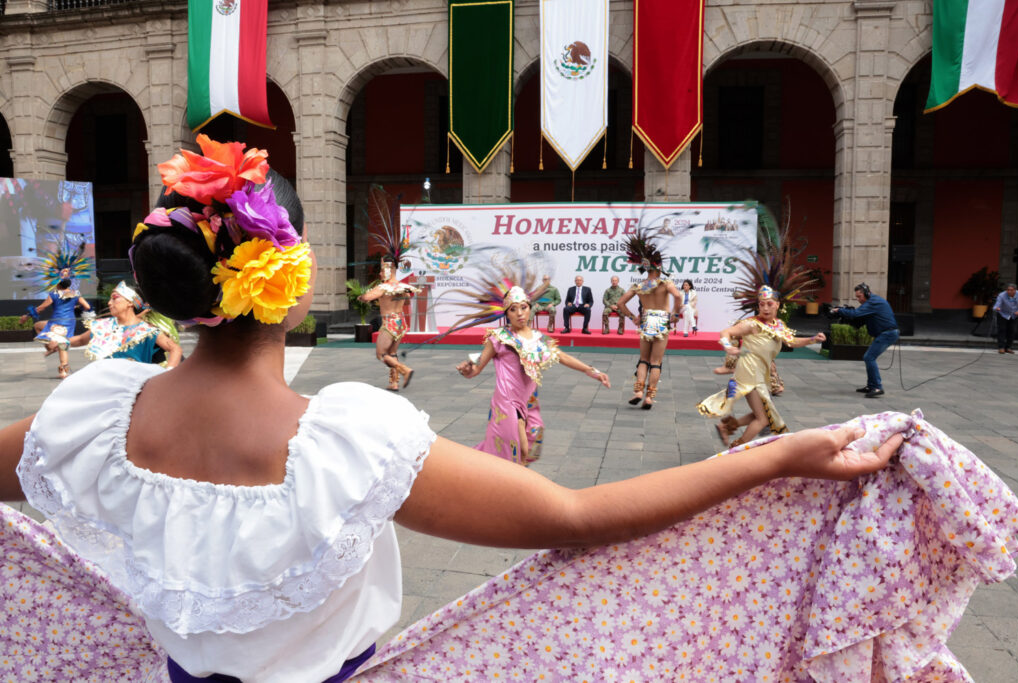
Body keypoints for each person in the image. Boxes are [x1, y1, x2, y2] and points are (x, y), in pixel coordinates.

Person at [0, 137, 901, 683]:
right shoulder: (341, 444)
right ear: (292, 273)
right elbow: (577, 517)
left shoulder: (92, 420)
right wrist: (778, 458)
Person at [455, 284, 610, 465]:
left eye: (524, 307)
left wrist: (594, 372)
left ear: (530, 308)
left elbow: (563, 356)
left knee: (531, 444)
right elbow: (476, 368)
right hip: (507, 401)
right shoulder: (499, 337)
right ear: (507, 313)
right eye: (513, 309)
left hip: (528, 401)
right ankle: (515, 486)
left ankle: (509, 481)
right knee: (519, 448)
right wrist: (467, 370)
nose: (519, 313)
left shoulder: (539, 339)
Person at [699, 285, 826, 447]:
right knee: (764, 419)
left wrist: (813, 339)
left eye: (770, 304)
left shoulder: (778, 325)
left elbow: (791, 341)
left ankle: (726, 427)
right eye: (762, 304)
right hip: (749, 374)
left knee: (762, 413)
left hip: (761, 374)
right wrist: (727, 345)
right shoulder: (752, 324)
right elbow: (726, 332)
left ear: (778, 304)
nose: (765, 308)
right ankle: (737, 449)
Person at [616, 229, 682, 409]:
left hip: (646, 319)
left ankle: (638, 391)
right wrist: (675, 315)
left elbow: (620, 303)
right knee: (656, 362)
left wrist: (632, 318)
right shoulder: (665, 283)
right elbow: (678, 297)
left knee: (644, 359)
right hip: (661, 320)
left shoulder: (639, 285)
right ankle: (649, 397)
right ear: (659, 266)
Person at [358, 256, 419, 391]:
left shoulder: (384, 287)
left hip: (389, 322)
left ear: (387, 270)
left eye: (381, 271)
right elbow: (408, 302)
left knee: (381, 354)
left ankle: (405, 370)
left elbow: (368, 297)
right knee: (392, 353)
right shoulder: (403, 287)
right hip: (401, 322)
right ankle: (394, 382)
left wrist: (361, 297)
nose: (379, 274)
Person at [834, 282, 899, 398]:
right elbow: (859, 318)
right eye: (857, 297)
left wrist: (839, 310)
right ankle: (871, 386)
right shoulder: (871, 302)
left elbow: (856, 313)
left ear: (867, 294)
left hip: (888, 333)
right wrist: (844, 315)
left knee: (869, 357)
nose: (858, 299)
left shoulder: (873, 302)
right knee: (869, 357)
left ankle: (877, 387)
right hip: (885, 333)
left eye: (859, 296)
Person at [21, 276, 92, 379]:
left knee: (39, 328)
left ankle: (51, 349)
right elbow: (87, 307)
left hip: (56, 323)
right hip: (69, 322)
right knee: (61, 342)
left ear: (58, 284)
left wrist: (27, 316)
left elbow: (41, 308)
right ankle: (62, 369)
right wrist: (75, 306)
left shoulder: (54, 294)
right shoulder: (75, 293)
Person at [993, 282, 1018, 354]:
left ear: (1015, 290)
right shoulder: (1002, 295)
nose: (1009, 291)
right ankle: (1001, 347)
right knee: (1002, 330)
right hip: (1003, 314)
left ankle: (1008, 347)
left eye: (1011, 290)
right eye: (1008, 290)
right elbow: (997, 305)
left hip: (1014, 314)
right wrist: (996, 308)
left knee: (1012, 330)